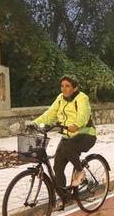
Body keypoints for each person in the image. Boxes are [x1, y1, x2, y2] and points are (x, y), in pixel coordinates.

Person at [31, 75, 97, 208]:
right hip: (67, 136)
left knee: (67, 148)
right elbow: (50, 114)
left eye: (67, 86)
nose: (64, 89)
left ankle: (80, 171)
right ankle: (65, 198)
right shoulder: (60, 99)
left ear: (75, 88)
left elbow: (83, 115)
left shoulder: (82, 98)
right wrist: (34, 123)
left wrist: (77, 124)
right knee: (57, 167)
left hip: (85, 134)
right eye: (62, 86)